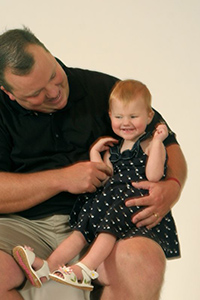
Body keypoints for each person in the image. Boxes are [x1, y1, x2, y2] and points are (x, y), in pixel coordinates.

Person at [0, 27, 187, 300]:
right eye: (37, 93)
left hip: (106, 218)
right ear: (9, 93)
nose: (54, 92)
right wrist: (63, 179)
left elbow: (169, 142)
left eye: (54, 75)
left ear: (51, 55)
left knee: (142, 262)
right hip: (21, 225)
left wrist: (173, 186)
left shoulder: (104, 90)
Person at [13, 79, 173, 292]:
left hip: (134, 201)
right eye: (119, 117)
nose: (126, 123)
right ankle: (47, 267)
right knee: (82, 228)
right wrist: (95, 154)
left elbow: (153, 175)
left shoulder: (149, 146)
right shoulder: (114, 150)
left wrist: (158, 142)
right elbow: (104, 178)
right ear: (110, 116)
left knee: (109, 226)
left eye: (133, 117)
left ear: (149, 117)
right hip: (110, 199)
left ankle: (84, 269)